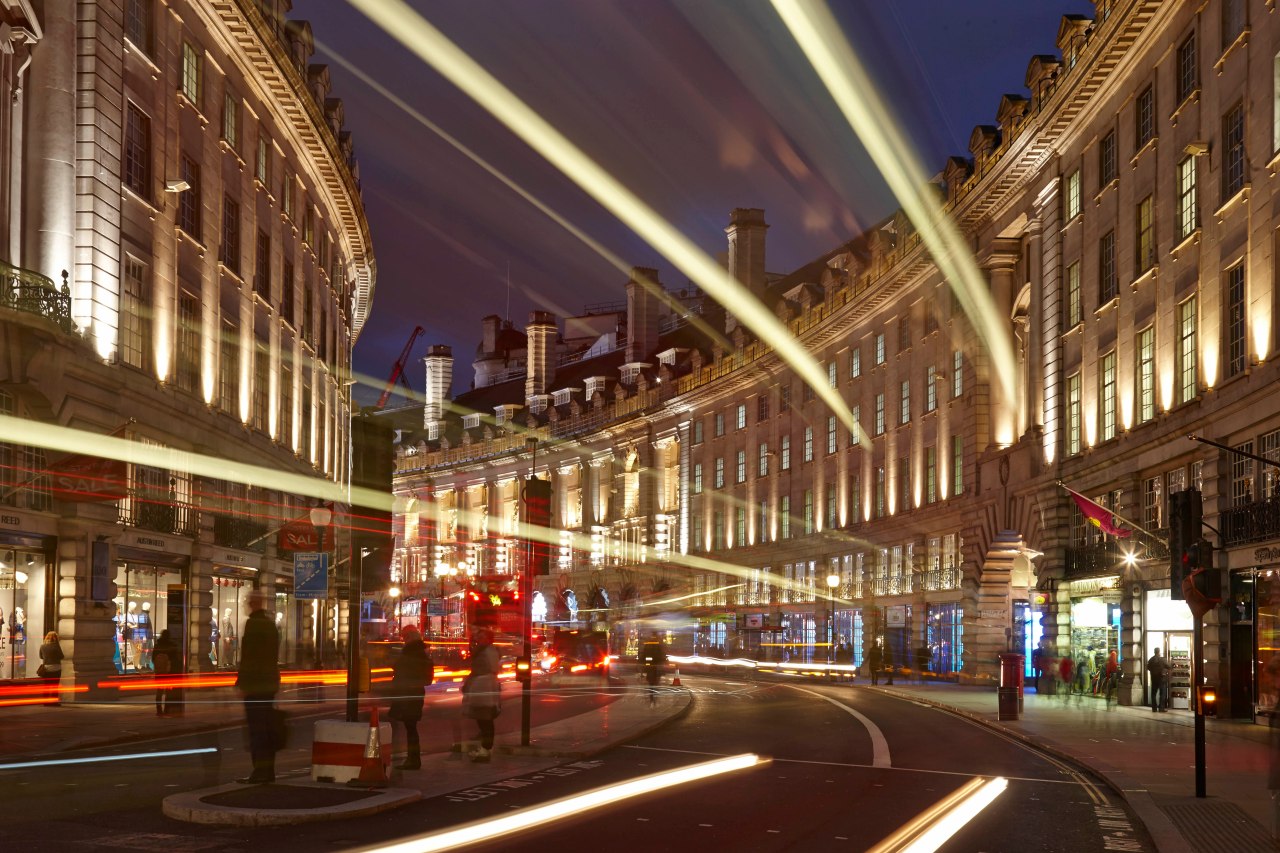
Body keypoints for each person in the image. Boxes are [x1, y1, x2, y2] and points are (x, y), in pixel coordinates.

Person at [235, 589, 280, 784]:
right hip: (269, 684)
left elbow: (249, 656)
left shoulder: (253, 624)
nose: (246, 604)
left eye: (247, 601)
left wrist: (242, 682)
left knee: (257, 731)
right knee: (267, 730)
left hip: (255, 685)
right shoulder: (270, 625)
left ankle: (259, 772)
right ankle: (268, 771)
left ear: (254, 603)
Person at [388, 626, 434, 770]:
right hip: (414, 693)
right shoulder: (422, 653)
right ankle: (412, 758)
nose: (403, 640)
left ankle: (412, 759)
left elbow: (401, 670)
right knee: (410, 726)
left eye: (404, 637)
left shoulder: (411, 653)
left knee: (409, 727)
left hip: (407, 694)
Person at [462, 626, 500, 763]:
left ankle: (486, 748)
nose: (479, 639)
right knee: (482, 719)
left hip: (484, 688)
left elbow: (491, 669)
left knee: (485, 720)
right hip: (481, 688)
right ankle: (486, 747)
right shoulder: (482, 650)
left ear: (488, 639)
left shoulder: (488, 651)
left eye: (481, 636)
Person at [152, 628, 180, 716]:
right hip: (169, 672)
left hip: (160, 671)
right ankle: (166, 709)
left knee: (159, 692)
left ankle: (159, 710)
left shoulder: (157, 645)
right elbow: (175, 660)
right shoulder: (171, 646)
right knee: (168, 692)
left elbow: (153, 659)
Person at [639, 632, 667, 705]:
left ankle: (652, 697)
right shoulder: (659, 643)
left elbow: (643, 654)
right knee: (655, 681)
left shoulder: (648, 643)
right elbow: (662, 653)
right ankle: (654, 696)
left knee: (651, 683)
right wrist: (663, 660)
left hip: (650, 666)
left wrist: (642, 662)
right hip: (655, 665)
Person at [38, 631, 64, 701]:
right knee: (55, 686)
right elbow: (62, 656)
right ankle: (54, 701)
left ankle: (46, 701)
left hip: (47, 668)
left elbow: (41, 656)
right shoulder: (56, 646)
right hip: (56, 668)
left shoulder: (42, 646)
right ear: (55, 638)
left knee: (46, 686)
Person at [1146, 647, 1169, 713]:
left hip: (1154, 679)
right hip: (1162, 679)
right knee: (1162, 694)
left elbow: (1148, 667)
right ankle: (1161, 708)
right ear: (1159, 652)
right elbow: (1169, 666)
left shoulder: (1151, 659)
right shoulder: (1162, 659)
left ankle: (1154, 708)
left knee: (1153, 694)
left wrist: (1153, 671)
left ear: (1154, 652)